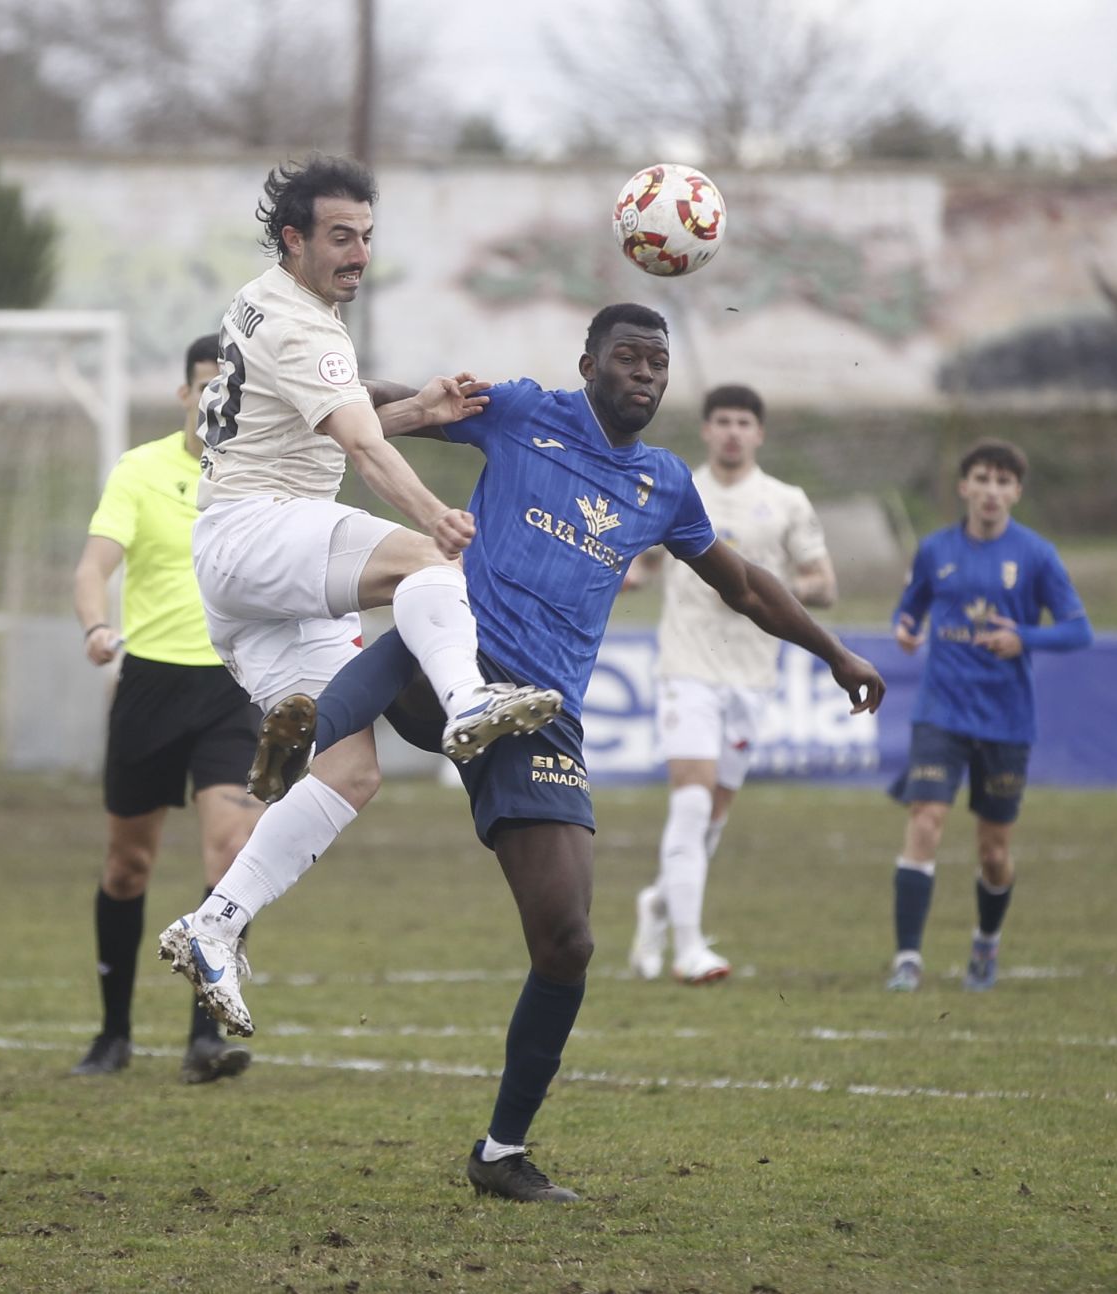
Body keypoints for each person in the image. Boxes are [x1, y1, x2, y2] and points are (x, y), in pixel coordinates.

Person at [168, 304, 886, 1202]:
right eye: (629, 358)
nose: (646, 376)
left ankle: (501, 1153)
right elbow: (395, 402)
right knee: (430, 607)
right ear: (587, 364)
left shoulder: (664, 483)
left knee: (568, 942)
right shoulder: (520, 409)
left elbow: (740, 583)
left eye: (658, 365)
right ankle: (303, 733)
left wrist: (835, 652)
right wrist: (305, 402)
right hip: (456, 653)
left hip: (541, 713)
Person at [155, 154, 561, 1002]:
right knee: (432, 561)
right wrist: (431, 516)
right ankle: (467, 702)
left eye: (368, 237)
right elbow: (359, 446)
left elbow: (329, 421)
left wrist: (421, 411)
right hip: (259, 533)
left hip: (254, 575)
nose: (359, 254)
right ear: (293, 238)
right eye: (341, 237)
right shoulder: (302, 321)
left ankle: (215, 925)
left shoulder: (270, 303)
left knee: (348, 773)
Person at [70, 334, 272, 1083]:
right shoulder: (141, 469)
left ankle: (204, 1039)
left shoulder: (260, 478)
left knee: (230, 853)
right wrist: (96, 626)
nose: (218, 396)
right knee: (129, 865)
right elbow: (94, 566)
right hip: (149, 688)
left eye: (232, 386)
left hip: (230, 687)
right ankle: (113, 1034)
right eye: (205, 384)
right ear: (186, 395)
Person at [623, 383, 837, 985]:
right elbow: (640, 563)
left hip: (752, 675)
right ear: (707, 430)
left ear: (759, 433)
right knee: (690, 804)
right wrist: (621, 576)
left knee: (711, 822)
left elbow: (824, 584)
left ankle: (659, 905)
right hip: (687, 667)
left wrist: (765, 587)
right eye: (722, 421)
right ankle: (690, 950)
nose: (733, 431)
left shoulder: (787, 501)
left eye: (744, 421)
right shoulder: (676, 489)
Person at [883, 438, 1092, 993]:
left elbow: (1079, 629)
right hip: (941, 711)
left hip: (1005, 719)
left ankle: (986, 942)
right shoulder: (934, 550)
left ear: (1016, 492)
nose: (992, 491)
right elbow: (909, 609)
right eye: (983, 479)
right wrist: (904, 629)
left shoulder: (1037, 556)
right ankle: (907, 959)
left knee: (993, 850)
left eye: (1004, 482)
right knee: (924, 821)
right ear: (964, 487)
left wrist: (1022, 637)